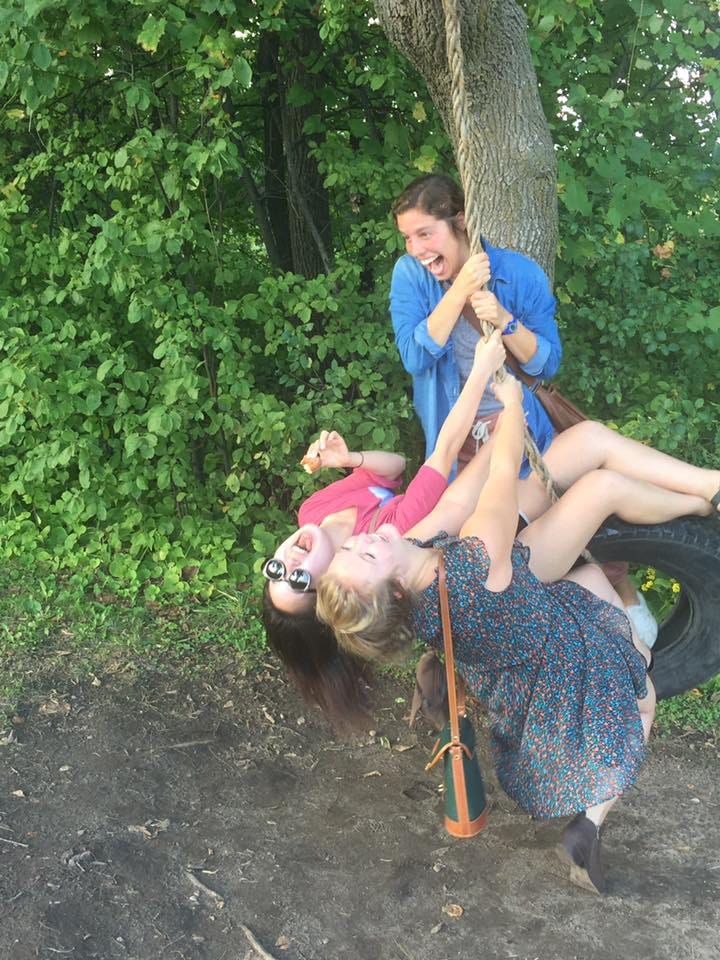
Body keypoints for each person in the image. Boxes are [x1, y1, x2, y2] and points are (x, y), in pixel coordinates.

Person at [316, 376, 715, 893]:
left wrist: (498, 421)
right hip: (551, 646)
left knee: (594, 557)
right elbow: (503, 475)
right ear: (392, 589)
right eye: (366, 554)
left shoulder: (409, 576)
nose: (363, 538)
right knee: (641, 698)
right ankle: (704, 507)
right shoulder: (474, 562)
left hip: (513, 633)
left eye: (351, 547)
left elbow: (458, 499)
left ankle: (706, 490)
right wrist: (510, 408)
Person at [388, 172, 720, 640]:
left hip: (523, 432)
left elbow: (545, 364)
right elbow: (415, 355)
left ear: (460, 221)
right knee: (504, 552)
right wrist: (460, 289)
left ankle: (704, 498)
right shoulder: (411, 276)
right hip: (459, 448)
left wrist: (504, 320)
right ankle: (588, 631)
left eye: (425, 233)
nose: (416, 249)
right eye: (408, 238)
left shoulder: (518, 274)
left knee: (574, 510)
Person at [261, 332, 507, 726]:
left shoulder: (312, 512)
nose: (289, 563)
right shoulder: (390, 539)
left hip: (465, 476)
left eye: (275, 570)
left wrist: (349, 459)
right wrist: (482, 372)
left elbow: (394, 469)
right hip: (488, 496)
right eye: (300, 579)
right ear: (330, 588)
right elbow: (443, 453)